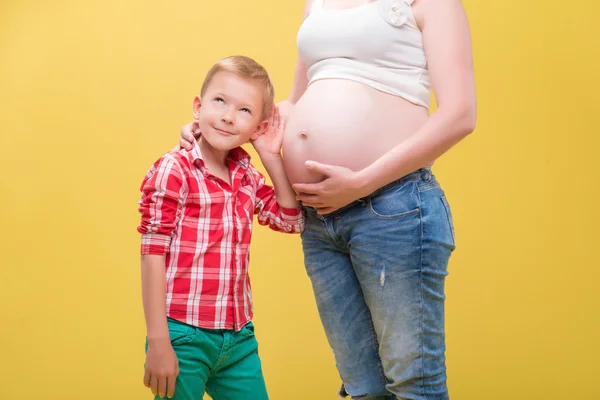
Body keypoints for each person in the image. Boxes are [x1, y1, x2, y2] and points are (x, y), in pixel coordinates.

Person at [180, 0, 477, 398]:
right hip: (319, 218)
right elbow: (292, 105)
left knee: (413, 383)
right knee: (363, 386)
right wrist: (215, 125)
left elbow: (460, 114)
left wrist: (362, 181)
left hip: (393, 206)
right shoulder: (318, 3)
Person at [138, 55, 304, 400]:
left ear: (258, 127)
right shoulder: (175, 170)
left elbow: (292, 219)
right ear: (198, 107)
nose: (228, 116)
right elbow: (152, 253)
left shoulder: (246, 176)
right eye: (219, 101)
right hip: (183, 335)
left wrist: (270, 155)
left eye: (244, 111)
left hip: (238, 337)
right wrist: (158, 341)